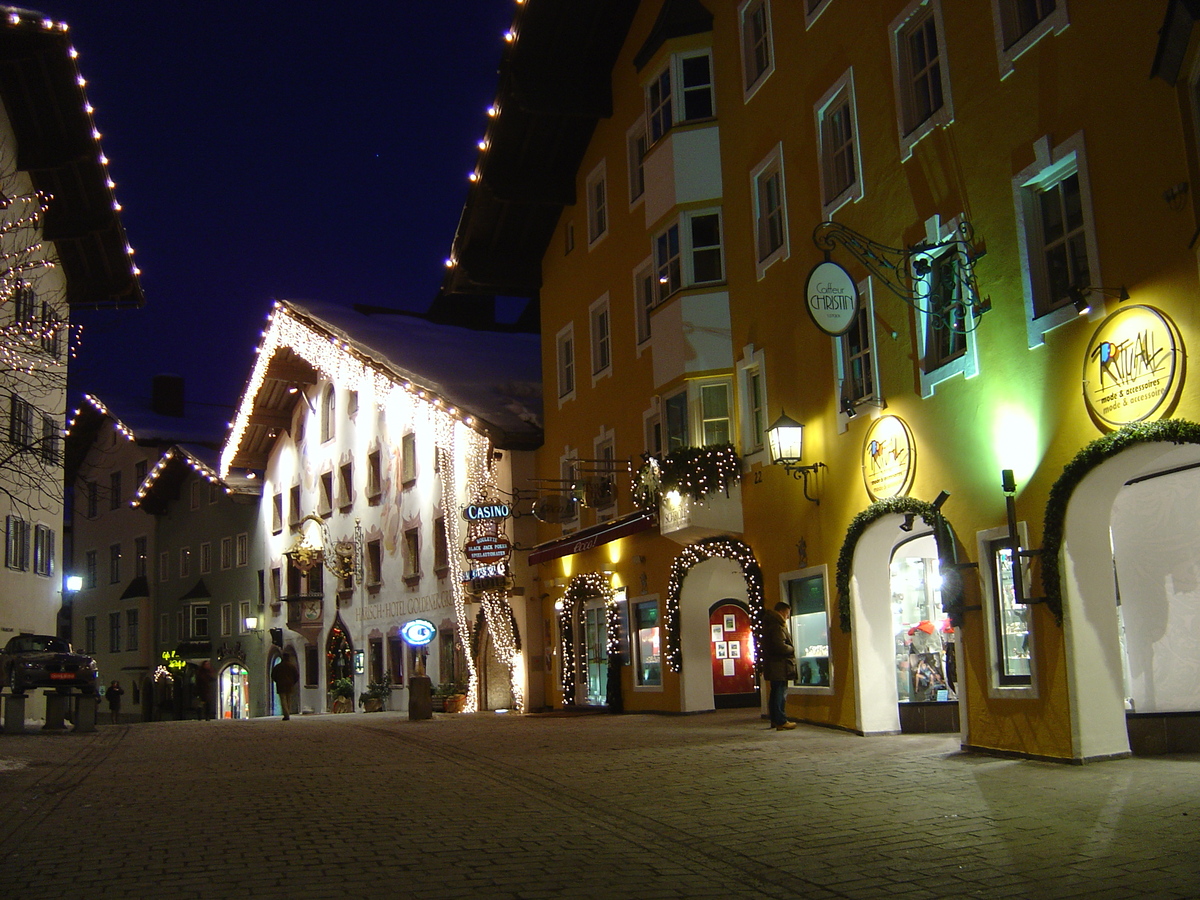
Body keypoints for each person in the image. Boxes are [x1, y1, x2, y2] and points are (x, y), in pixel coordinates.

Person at [762, 601, 798, 731]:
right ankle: (781, 720)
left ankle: (775, 719)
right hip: (779, 665)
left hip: (774, 665)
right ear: (782, 612)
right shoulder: (777, 626)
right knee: (780, 693)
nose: (788, 617)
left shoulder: (769, 624)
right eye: (787, 614)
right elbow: (779, 646)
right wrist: (792, 648)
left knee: (775, 693)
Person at [271, 654, 300, 721]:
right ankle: (288, 713)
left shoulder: (278, 666)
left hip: (281, 685)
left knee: (283, 700)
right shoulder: (292, 666)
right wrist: (292, 682)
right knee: (288, 699)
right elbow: (296, 676)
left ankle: (286, 714)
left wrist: (278, 681)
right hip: (289, 685)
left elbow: (273, 675)